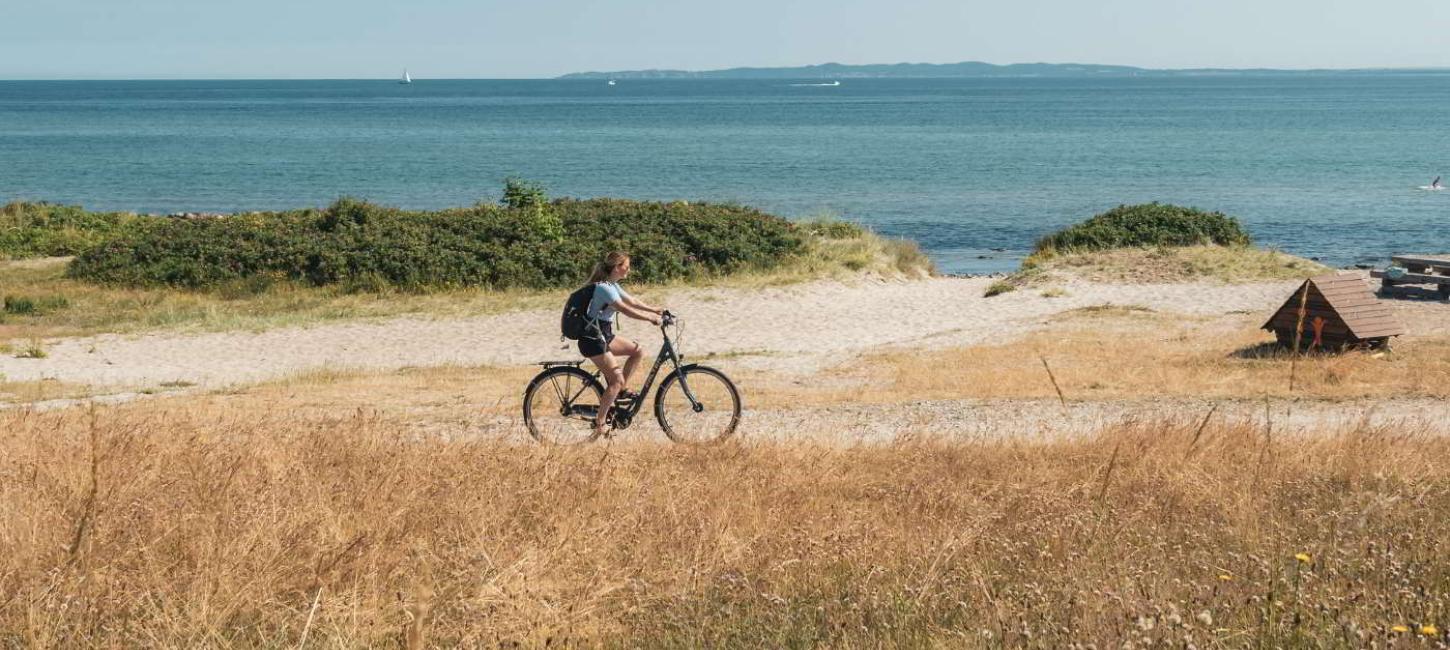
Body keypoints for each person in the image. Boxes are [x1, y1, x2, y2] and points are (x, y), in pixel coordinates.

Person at [578, 251, 666, 435]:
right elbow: (624, 309)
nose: (629, 269)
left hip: (604, 335)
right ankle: (600, 423)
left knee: (637, 351)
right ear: (617, 267)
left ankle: (621, 390)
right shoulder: (604, 288)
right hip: (592, 338)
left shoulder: (612, 285)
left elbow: (631, 301)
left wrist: (655, 309)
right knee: (616, 380)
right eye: (626, 265)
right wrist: (650, 318)